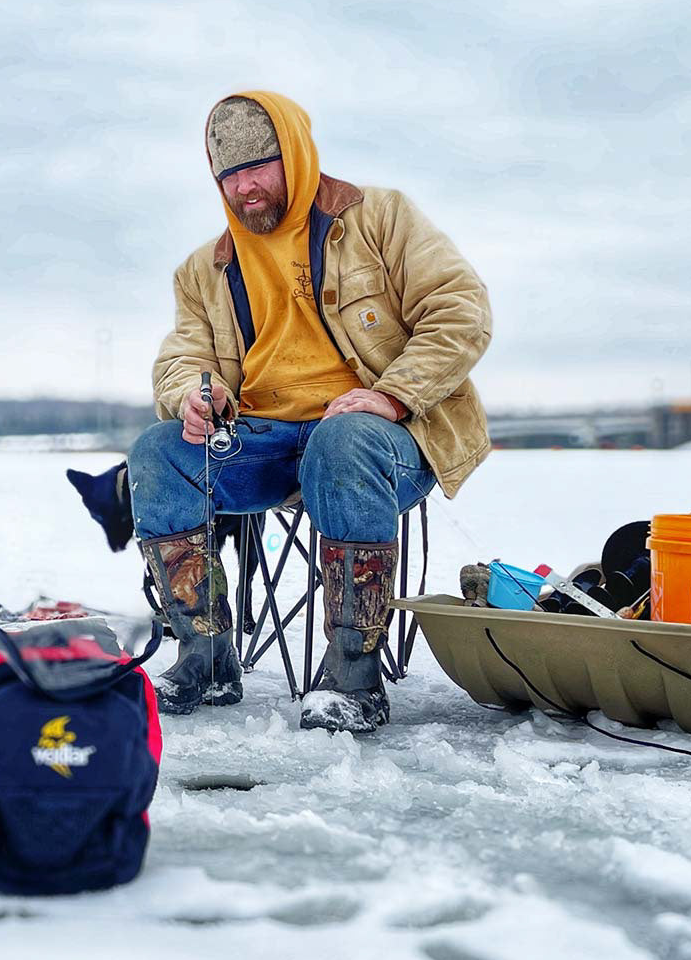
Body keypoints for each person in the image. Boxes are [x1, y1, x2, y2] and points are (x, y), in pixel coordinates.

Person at [130, 92, 492, 732]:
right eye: (228, 175)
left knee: (343, 439)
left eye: (259, 166)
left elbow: (461, 310)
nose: (245, 186)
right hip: (261, 441)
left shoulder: (380, 216)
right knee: (158, 452)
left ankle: (354, 675)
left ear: (294, 156)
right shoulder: (203, 270)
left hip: (382, 438)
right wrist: (194, 393)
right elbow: (183, 357)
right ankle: (206, 659)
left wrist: (393, 393)